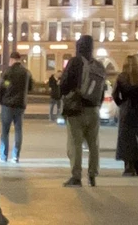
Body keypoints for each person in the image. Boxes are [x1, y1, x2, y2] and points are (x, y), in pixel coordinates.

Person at [59, 35, 101, 187]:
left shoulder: (75, 62)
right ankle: (92, 175)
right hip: (94, 109)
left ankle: (76, 177)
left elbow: (64, 84)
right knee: (93, 144)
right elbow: (101, 90)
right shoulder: (98, 65)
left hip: (76, 109)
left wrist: (65, 93)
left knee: (75, 144)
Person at [113, 55, 138, 176]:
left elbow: (115, 94)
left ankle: (129, 167)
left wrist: (121, 104)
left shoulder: (121, 77)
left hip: (126, 110)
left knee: (126, 139)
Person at [0, 52, 32, 163]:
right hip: (20, 105)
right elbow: (30, 87)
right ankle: (15, 156)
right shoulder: (26, 72)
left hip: (7, 105)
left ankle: (3, 156)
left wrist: (1, 100)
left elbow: (0, 87)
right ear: (19, 59)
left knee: (5, 131)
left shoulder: (7, 72)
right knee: (18, 130)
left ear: (11, 59)